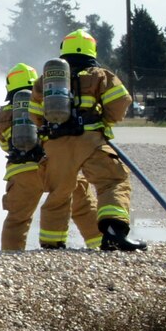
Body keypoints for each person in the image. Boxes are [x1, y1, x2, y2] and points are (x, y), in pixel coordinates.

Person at [38, 29, 140, 252]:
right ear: (91, 51)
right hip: (90, 140)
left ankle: (51, 244)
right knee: (112, 180)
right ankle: (113, 234)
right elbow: (122, 101)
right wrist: (105, 120)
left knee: (59, 193)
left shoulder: (46, 80)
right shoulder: (100, 75)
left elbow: (34, 113)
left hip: (55, 145)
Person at [0, 62, 103, 252]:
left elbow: (5, 146)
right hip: (56, 164)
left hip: (22, 172)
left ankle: (10, 257)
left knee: (18, 218)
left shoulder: (1, 116)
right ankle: (100, 246)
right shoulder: (45, 102)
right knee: (83, 206)